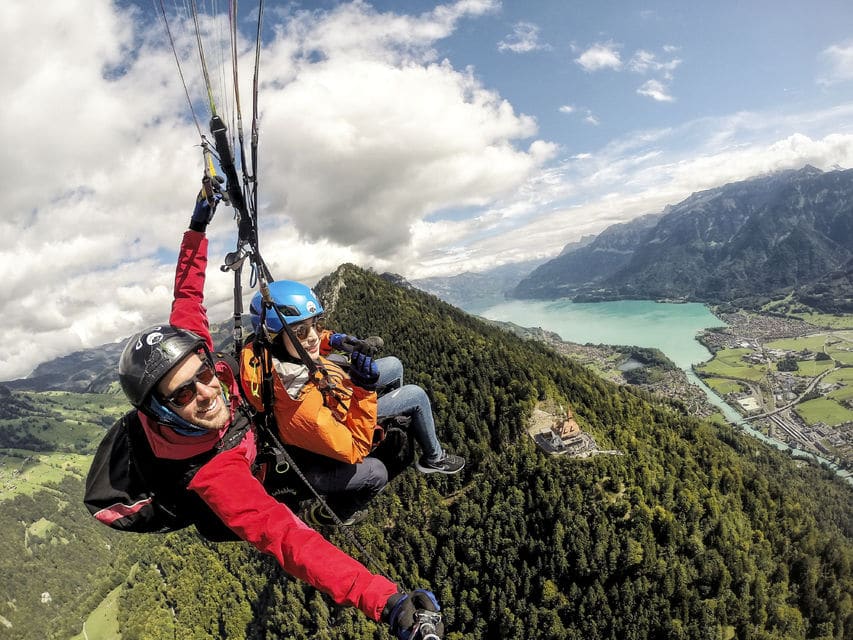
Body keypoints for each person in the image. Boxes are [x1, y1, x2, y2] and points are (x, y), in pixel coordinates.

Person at [84, 180, 441, 637]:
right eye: (183, 395)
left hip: (264, 442)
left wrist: (197, 225)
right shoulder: (213, 474)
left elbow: (187, 297)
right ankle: (334, 508)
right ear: (160, 411)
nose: (207, 392)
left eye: (205, 374)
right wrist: (386, 602)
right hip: (266, 479)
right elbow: (288, 541)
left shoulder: (200, 359)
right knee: (372, 471)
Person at [240, 280, 465, 527]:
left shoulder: (266, 353)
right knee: (415, 395)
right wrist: (364, 389)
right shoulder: (300, 405)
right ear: (274, 337)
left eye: (316, 325)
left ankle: (392, 424)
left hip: (333, 396)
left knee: (394, 365)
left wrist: (336, 340)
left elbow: (303, 341)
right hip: (337, 433)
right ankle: (433, 458)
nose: (313, 337)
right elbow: (354, 448)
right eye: (301, 331)